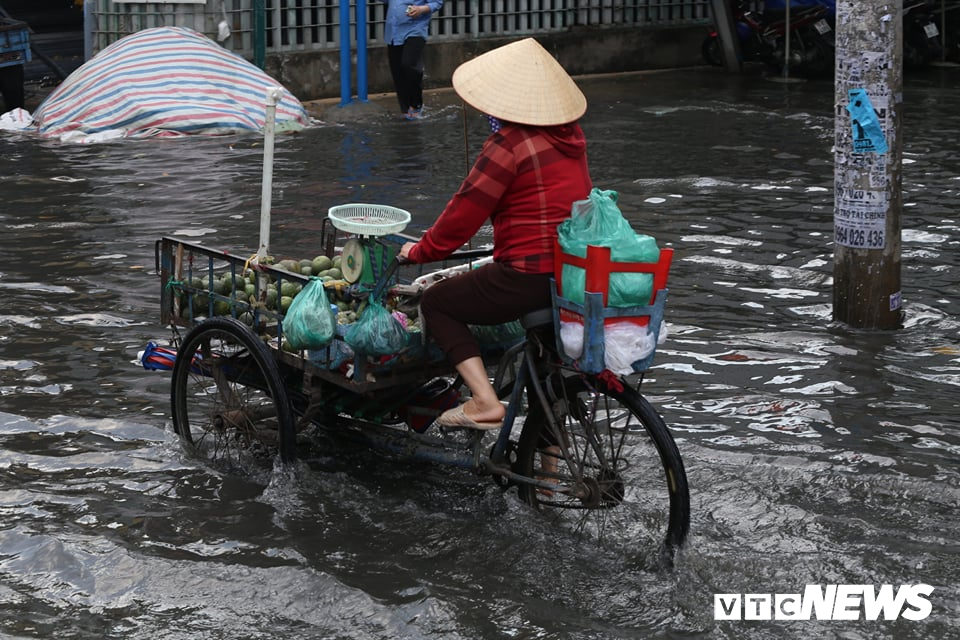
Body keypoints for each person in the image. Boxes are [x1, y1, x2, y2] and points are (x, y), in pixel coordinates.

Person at [399, 38, 592, 429]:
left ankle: (484, 401)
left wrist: (420, 251)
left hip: (527, 275)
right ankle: (549, 478)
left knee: (437, 303)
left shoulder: (510, 144)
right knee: (547, 369)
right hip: (572, 273)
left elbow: (462, 217)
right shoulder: (570, 139)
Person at [384, 0, 443, 120]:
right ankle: (406, 109)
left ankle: (416, 103)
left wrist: (421, 9)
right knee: (397, 71)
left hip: (415, 29)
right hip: (394, 31)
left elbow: (437, 2)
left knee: (409, 64)